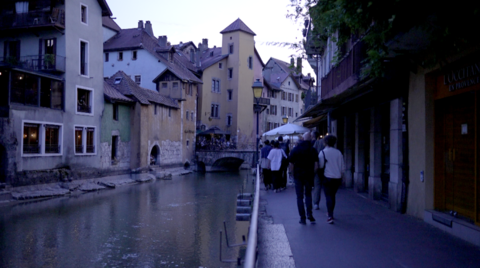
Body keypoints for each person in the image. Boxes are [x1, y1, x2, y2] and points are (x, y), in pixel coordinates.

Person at [288, 132, 319, 224]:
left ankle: (302, 217)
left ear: (302, 139)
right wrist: (312, 173)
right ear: (310, 139)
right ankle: (310, 214)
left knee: (299, 197)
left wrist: (292, 174)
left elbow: (291, 164)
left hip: (298, 175)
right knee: (308, 195)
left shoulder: (295, 149)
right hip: (309, 175)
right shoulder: (313, 150)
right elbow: (316, 165)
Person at [318, 135, 345, 224]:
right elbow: (342, 167)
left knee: (328, 196)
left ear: (325, 142)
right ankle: (330, 212)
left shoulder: (323, 152)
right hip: (337, 177)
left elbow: (321, 166)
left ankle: (330, 215)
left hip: (327, 177)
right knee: (332, 196)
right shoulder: (338, 152)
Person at [312, 132, 325, 210]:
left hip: (317, 167)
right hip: (327, 169)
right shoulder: (335, 151)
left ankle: (316, 203)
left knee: (317, 185)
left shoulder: (316, 143)